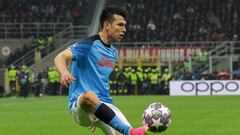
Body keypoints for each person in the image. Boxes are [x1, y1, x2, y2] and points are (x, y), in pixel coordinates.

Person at [54, 6, 148, 135]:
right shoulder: (88, 44)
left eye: (125, 26)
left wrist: (100, 114)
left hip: (104, 104)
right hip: (81, 104)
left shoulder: (114, 52)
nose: (124, 30)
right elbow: (60, 57)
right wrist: (64, 72)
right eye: (120, 25)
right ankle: (129, 131)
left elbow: (101, 82)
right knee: (88, 96)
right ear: (107, 25)